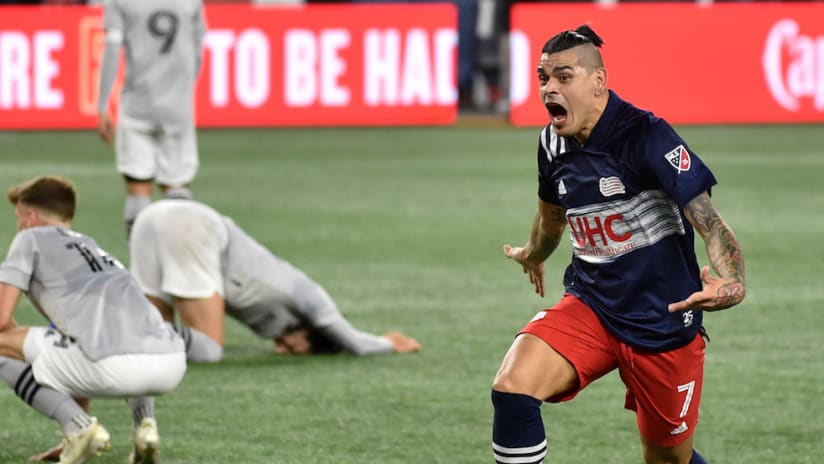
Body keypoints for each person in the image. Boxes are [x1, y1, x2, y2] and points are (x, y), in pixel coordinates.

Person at [491, 25, 746, 464]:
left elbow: (708, 219)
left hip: (661, 321)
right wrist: (533, 254)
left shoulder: (648, 136)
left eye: (563, 77)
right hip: (592, 305)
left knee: (667, 459)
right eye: (542, 78)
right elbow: (552, 216)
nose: (549, 88)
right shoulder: (552, 142)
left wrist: (733, 281)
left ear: (598, 82)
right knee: (512, 387)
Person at [0, 176, 187, 464]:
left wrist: (14, 342)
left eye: (18, 217)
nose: (19, 225)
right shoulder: (95, 250)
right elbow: (74, 344)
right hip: (171, 362)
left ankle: (79, 427)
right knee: (114, 337)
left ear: (30, 217)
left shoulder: (29, 238)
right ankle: (144, 428)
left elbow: (1, 319)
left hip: (114, 367)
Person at [128, 197, 422, 361]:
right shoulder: (312, 297)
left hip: (153, 214)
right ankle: (122, 334)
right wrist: (387, 342)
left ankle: (118, 336)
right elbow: (355, 343)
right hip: (193, 225)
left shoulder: (275, 319)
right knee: (208, 350)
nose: (283, 348)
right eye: (297, 348)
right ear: (311, 334)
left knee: (154, 343)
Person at [96, 0, 207, 240]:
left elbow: (112, 50)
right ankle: (183, 261)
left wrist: (104, 104)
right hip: (178, 106)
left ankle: (141, 265)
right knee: (176, 184)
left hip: (138, 103)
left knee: (138, 185)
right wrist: (184, 91)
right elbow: (198, 49)